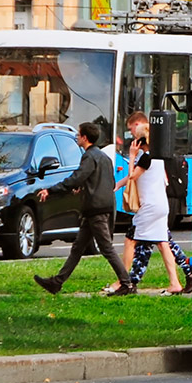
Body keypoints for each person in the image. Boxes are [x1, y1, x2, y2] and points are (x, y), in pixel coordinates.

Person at [34, 121, 134, 296]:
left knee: (106, 248)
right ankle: (57, 282)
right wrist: (84, 186)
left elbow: (76, 178)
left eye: (79, 135)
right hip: (100, 207)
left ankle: (126, 284)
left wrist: (51, 190)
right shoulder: (104, 157)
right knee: (78, 248)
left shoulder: (89, 156)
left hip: (95, 209)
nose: (77, 138)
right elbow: (106, 182)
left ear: (85, 138)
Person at [104, 111, 192, 295]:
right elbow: (135, 178)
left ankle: (124, 281)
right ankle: (175, 282)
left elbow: (132, 176)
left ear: (140, 141)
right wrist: (115, 185)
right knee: (163, 243)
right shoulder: (155, 156)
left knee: (130, 240)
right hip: (160, 206)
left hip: (150, 207)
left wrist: (130, 155)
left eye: (135, 139)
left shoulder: (146, 157)